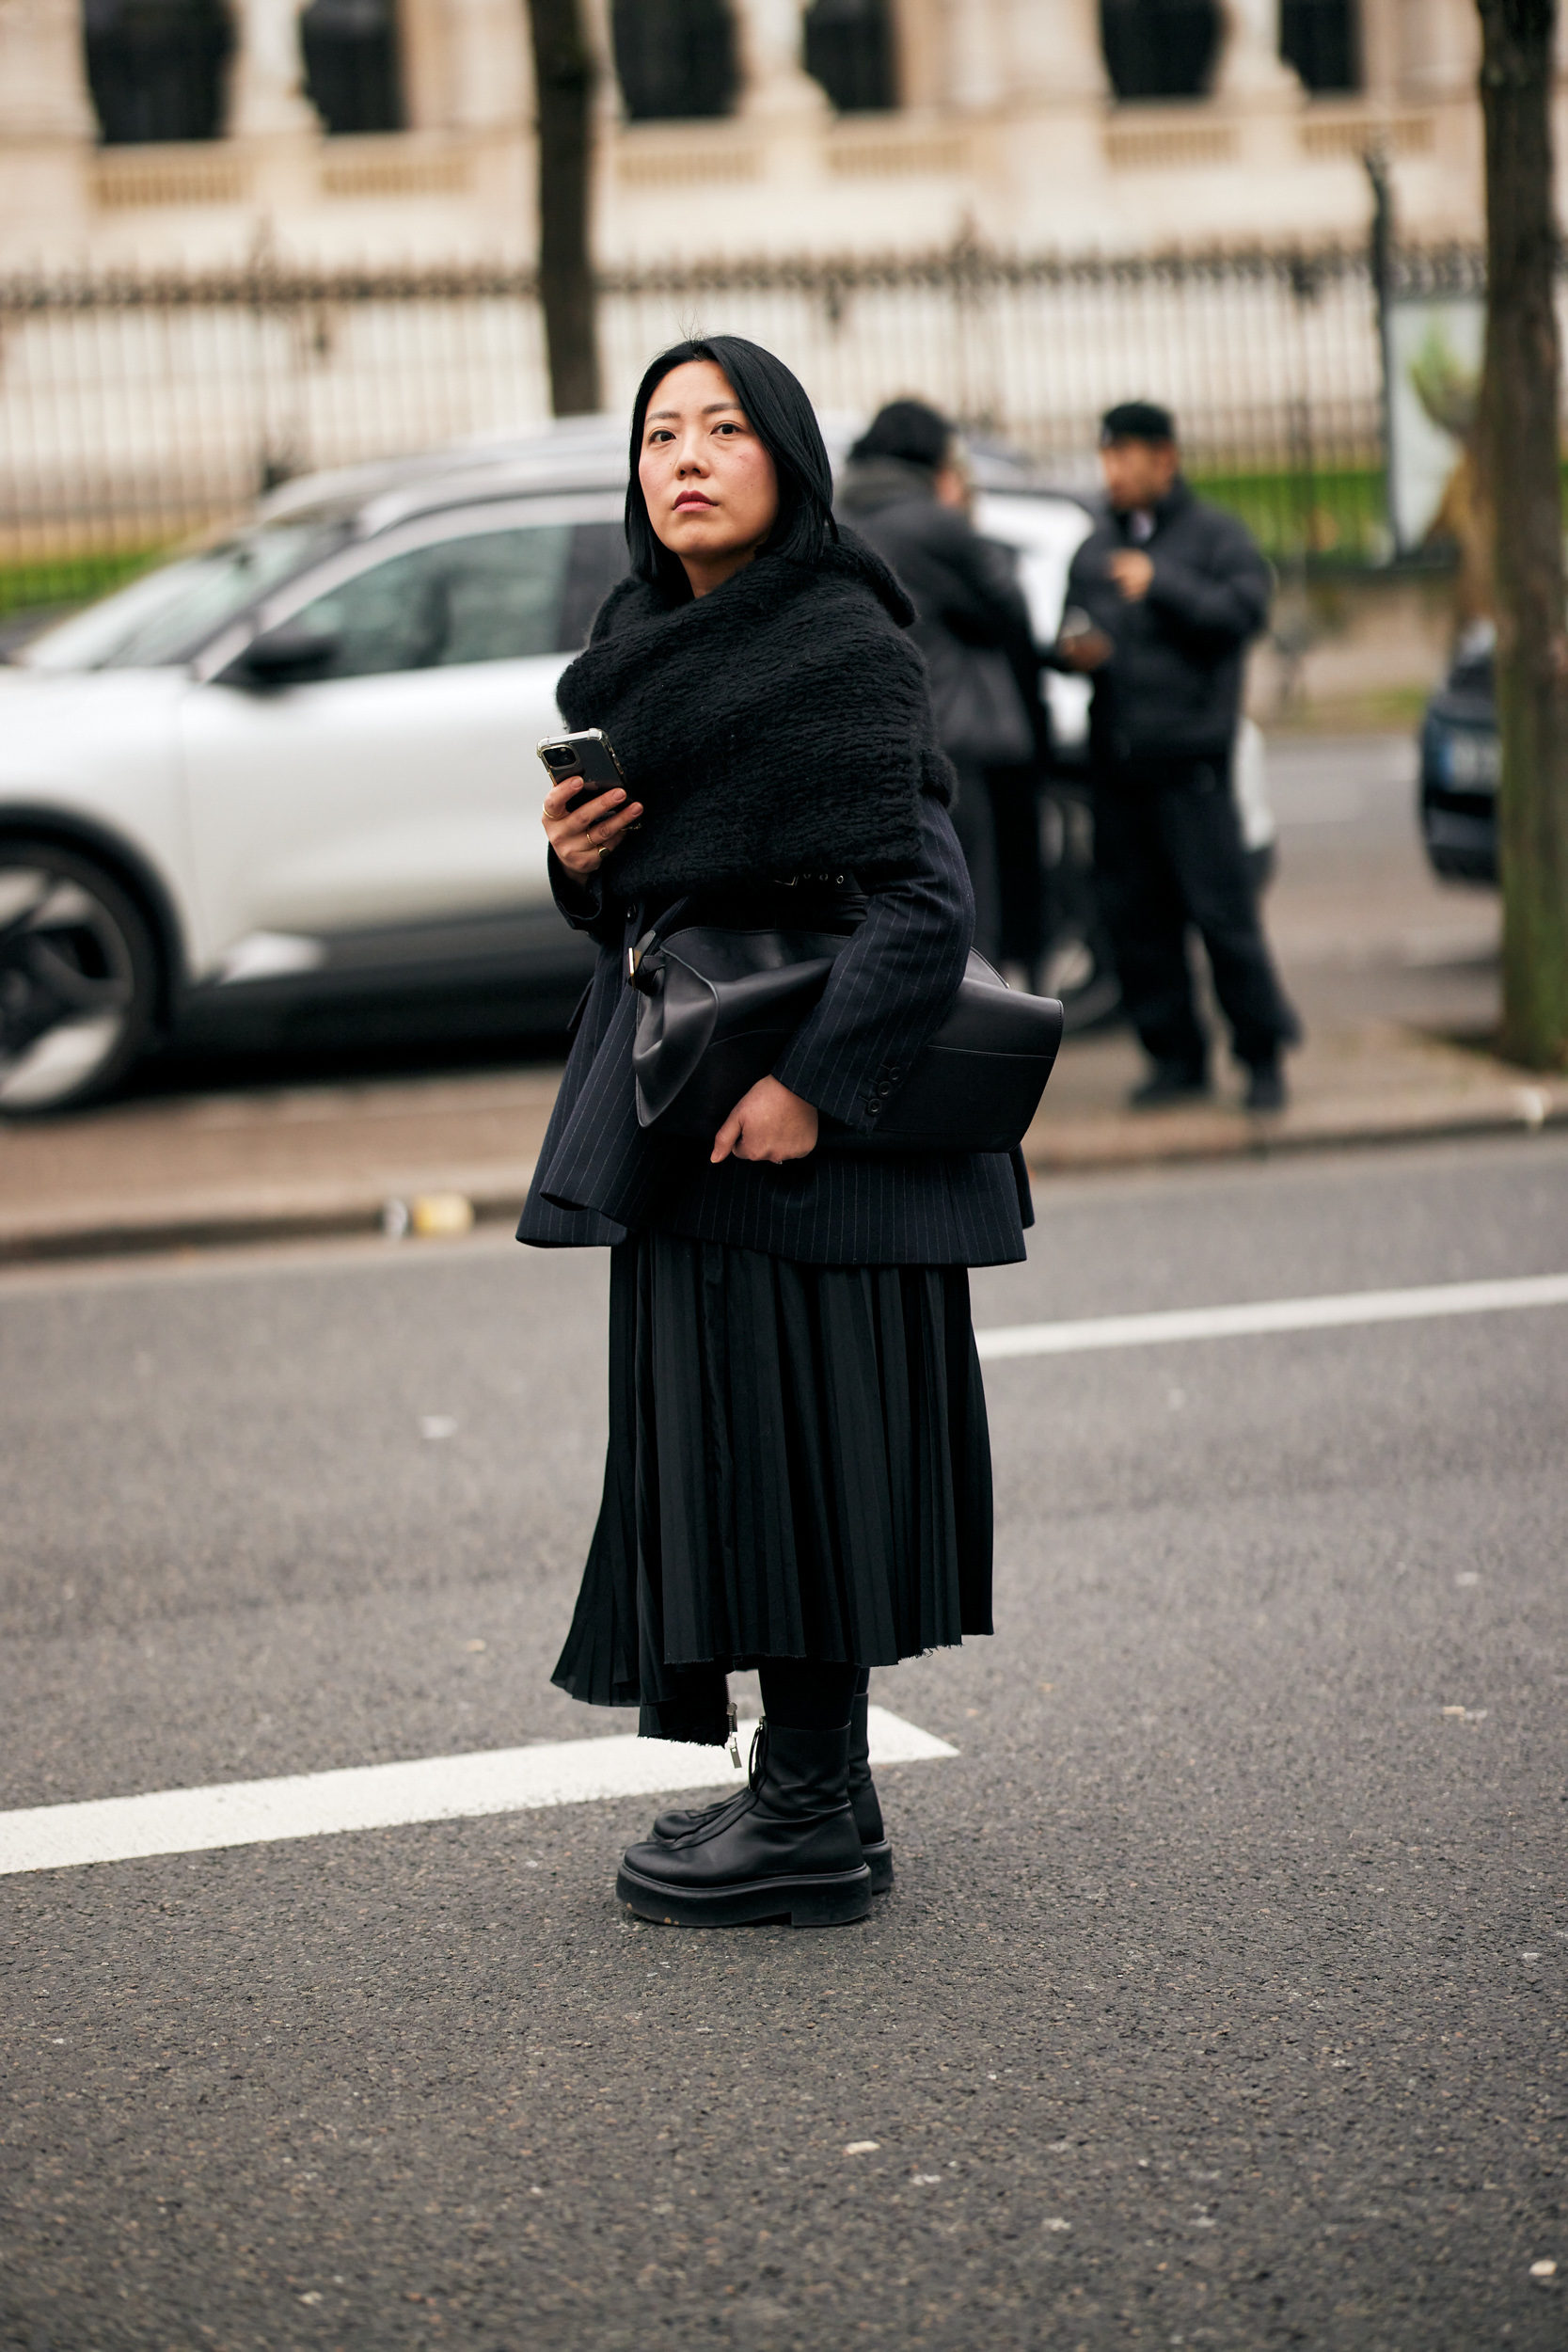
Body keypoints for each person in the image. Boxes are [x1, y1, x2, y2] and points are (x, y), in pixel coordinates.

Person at [518, 337, 1029, 1931]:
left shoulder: (835, 642)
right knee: (732, 1457)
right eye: (660, 433)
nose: (683, 457)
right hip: (688, 1106)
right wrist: (579, 861)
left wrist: (810, 1086)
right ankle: (802, 1789)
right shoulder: (641, 647)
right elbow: (653, 908)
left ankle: (817, 1813)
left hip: (800, 1134)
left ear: (788, 461)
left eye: (722, 429)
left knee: (803, 1465)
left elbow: (925, 903)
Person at [1055, 401, 1300, 1111]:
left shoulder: (1214, 536)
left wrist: (1162, 583)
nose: (1112, 474)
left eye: (1123, 457)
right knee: (1136, 924)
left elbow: (1242, 613)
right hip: (1119, 763)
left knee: (1222, 918)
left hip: (1192, 764)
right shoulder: (1095, 544)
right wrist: (1074, 652)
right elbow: (1071, 629)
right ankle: (1175, 1057)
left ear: (1164, 458)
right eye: (1104, 458)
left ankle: (1261, 1057)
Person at [835, 399, 1050, 968]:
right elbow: (1008, 604)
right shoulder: (932, 522)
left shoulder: (838, 519)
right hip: (948, 742)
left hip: (863, 743)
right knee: (969, 906)